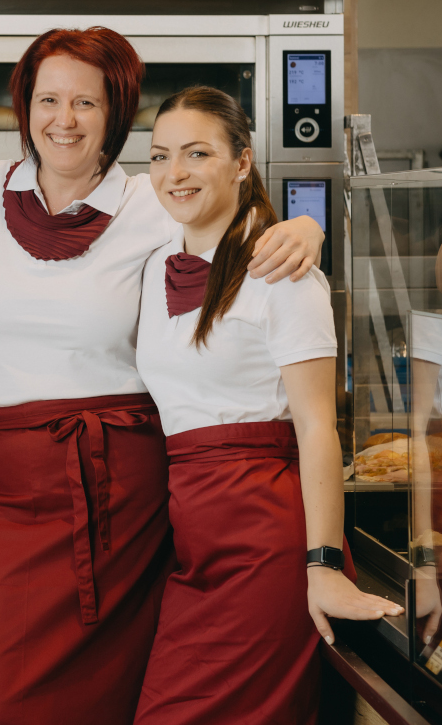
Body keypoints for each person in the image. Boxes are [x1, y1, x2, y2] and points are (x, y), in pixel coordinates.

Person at [0, 27, 328, 724]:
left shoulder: (156, 200)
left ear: (115, 113)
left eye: (86, 103)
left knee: (124, 693)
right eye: (48, 99)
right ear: (25, 106)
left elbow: (238, 230)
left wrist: (306, 227)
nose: (64, 119)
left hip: (128, 495)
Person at [131, 86, 403, 725]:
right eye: (161, 156)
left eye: (198, 153)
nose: (176, 173)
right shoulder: (156, 265)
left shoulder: (283, 272)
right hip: (194, 537)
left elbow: (316, 427)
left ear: (243, 163)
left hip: (266, 538)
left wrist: (324, 563)